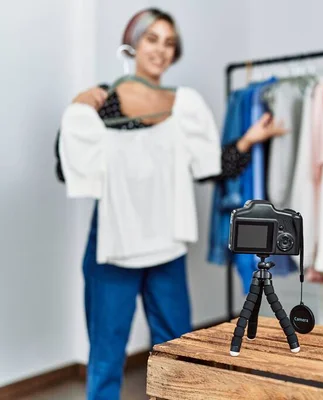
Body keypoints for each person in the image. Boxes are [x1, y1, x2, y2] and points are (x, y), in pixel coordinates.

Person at [54, 8, 285, 400]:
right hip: (114, 244)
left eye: (170, 43)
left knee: (176, 349)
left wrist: (248, 140)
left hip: (166, 244)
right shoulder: (103, 100)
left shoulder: (185, 107)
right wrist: (76, 111)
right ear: (134, 41)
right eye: (152, 39)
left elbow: (211, 165)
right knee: (106, 356)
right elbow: (68, 168)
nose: (161, 50)